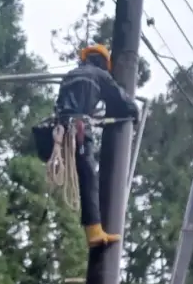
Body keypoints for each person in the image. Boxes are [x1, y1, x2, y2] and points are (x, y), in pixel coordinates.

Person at [51, 43, 141, 248]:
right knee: (89, 175)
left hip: (60, 128)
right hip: (79, 127)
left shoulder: (71, 75)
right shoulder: (99, 76)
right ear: (103, 63)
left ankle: (93, 229)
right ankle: (94, 230)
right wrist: (134, 113)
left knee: (82, 172)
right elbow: (120, 100)